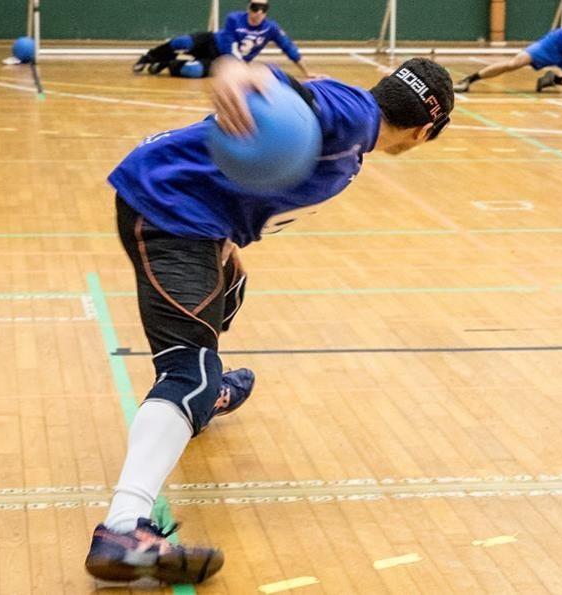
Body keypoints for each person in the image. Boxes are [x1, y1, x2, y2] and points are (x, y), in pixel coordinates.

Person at [84, 55, 454, 584]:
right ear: (423, 131)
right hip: (168, 211)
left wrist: (230, 237)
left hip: (197, 216)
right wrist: (237, 70)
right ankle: (123, 527)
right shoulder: (354, 116)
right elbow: (286, 89)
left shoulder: (353, 136)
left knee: (230, 289)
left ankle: (199, 401)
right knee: (188, 373)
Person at [132, 0, 319, 79]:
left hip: (224, 62)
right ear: (248, 8)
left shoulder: (271, 28)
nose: (258, 12)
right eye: (255, 7)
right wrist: (242, 67)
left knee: (193, 71)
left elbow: (289, 47)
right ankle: (149, 57)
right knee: (182, 42)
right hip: (213, 42)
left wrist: (306, 72)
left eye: (263, 9)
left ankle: (165, 64)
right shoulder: (234, 19)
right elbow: (229, 45)